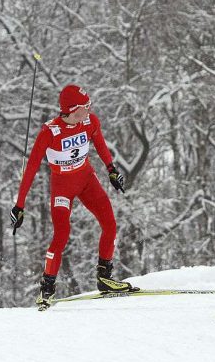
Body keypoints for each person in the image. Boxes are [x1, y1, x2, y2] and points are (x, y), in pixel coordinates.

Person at [10, 84, 137, 310]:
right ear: (71, 109)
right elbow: (29, 170)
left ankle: (105, 278)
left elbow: (100, 144)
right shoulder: (49, 132)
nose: (90, 109)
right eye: (85, 106)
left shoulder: (89, 121)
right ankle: (46, 288)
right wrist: (19, 205)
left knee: (110, 223)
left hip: (87, 180)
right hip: (62, 187)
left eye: (89, 105)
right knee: (61, 234)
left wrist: (112, 170)